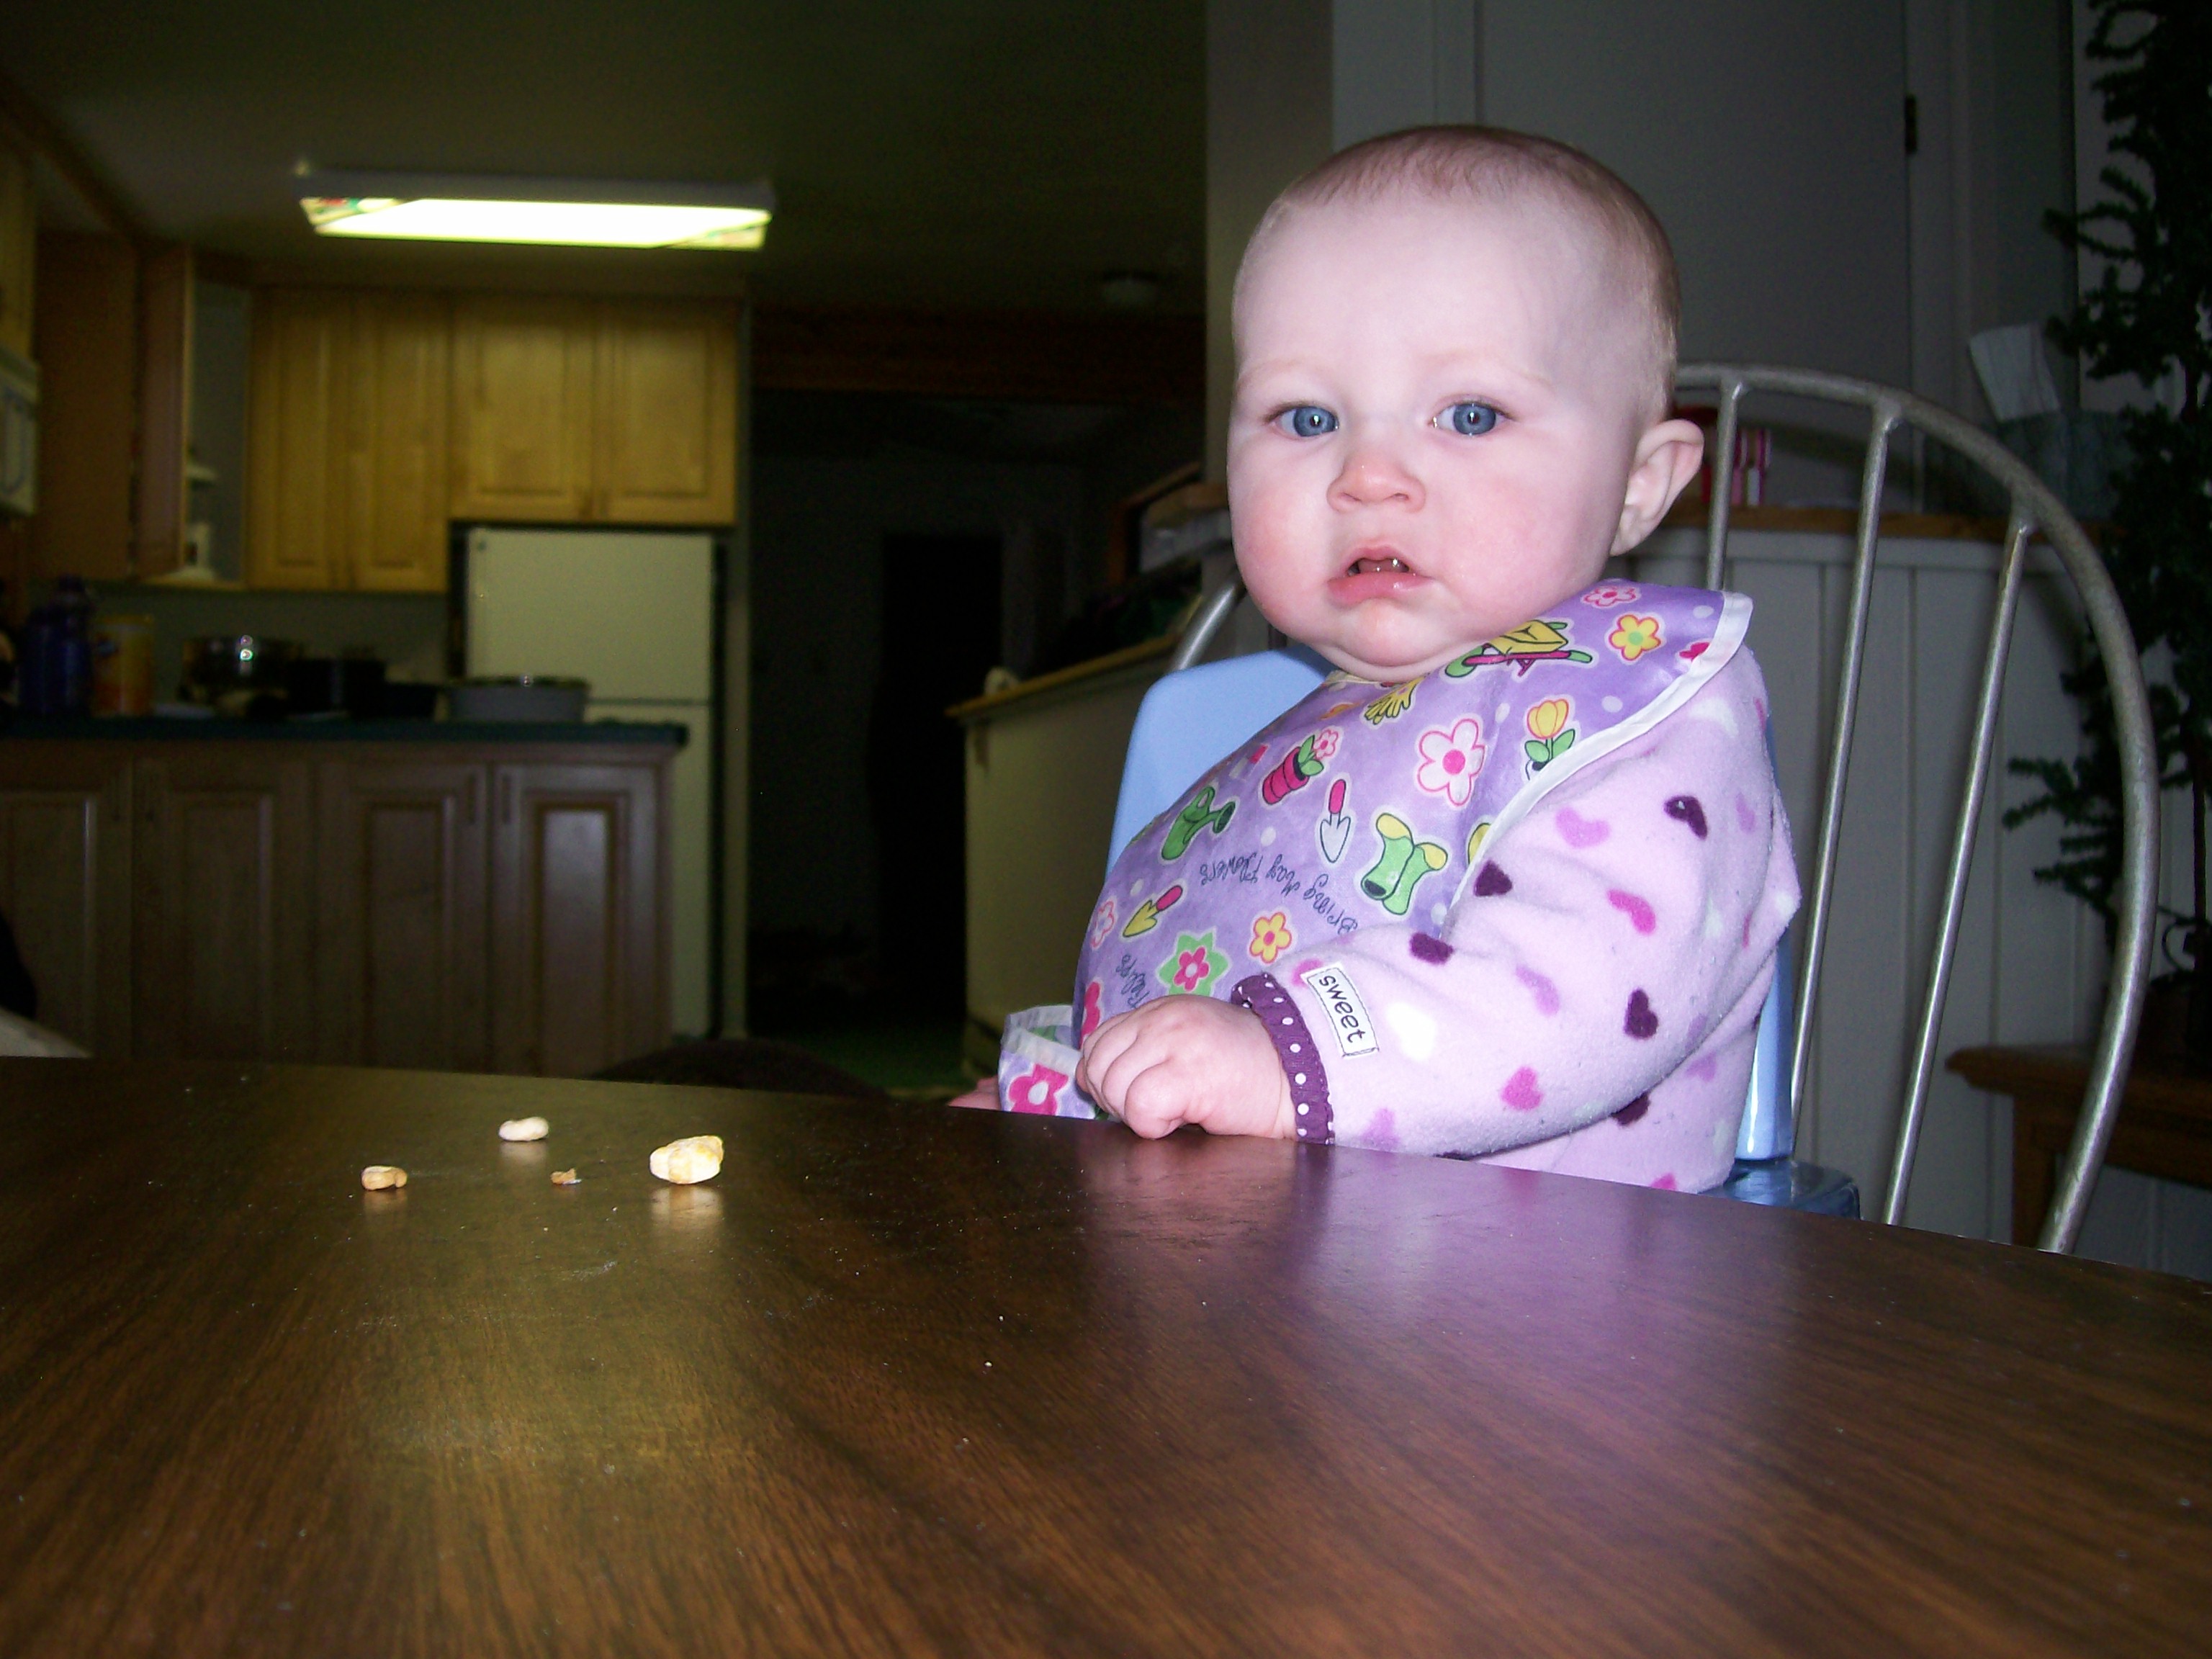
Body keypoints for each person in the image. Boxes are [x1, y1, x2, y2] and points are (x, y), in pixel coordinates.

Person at [966, 126, 1798, 1194]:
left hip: (1540, 1280)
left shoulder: (1644, 717)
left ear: (1639, 485)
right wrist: (1075, 1097)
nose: (1367, 474)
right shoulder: (1321, 742)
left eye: (1470, 415)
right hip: (1258, 1261)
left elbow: (1580, 988)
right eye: (1306, 416)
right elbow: (1212, 1008)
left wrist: (1287, 1057)